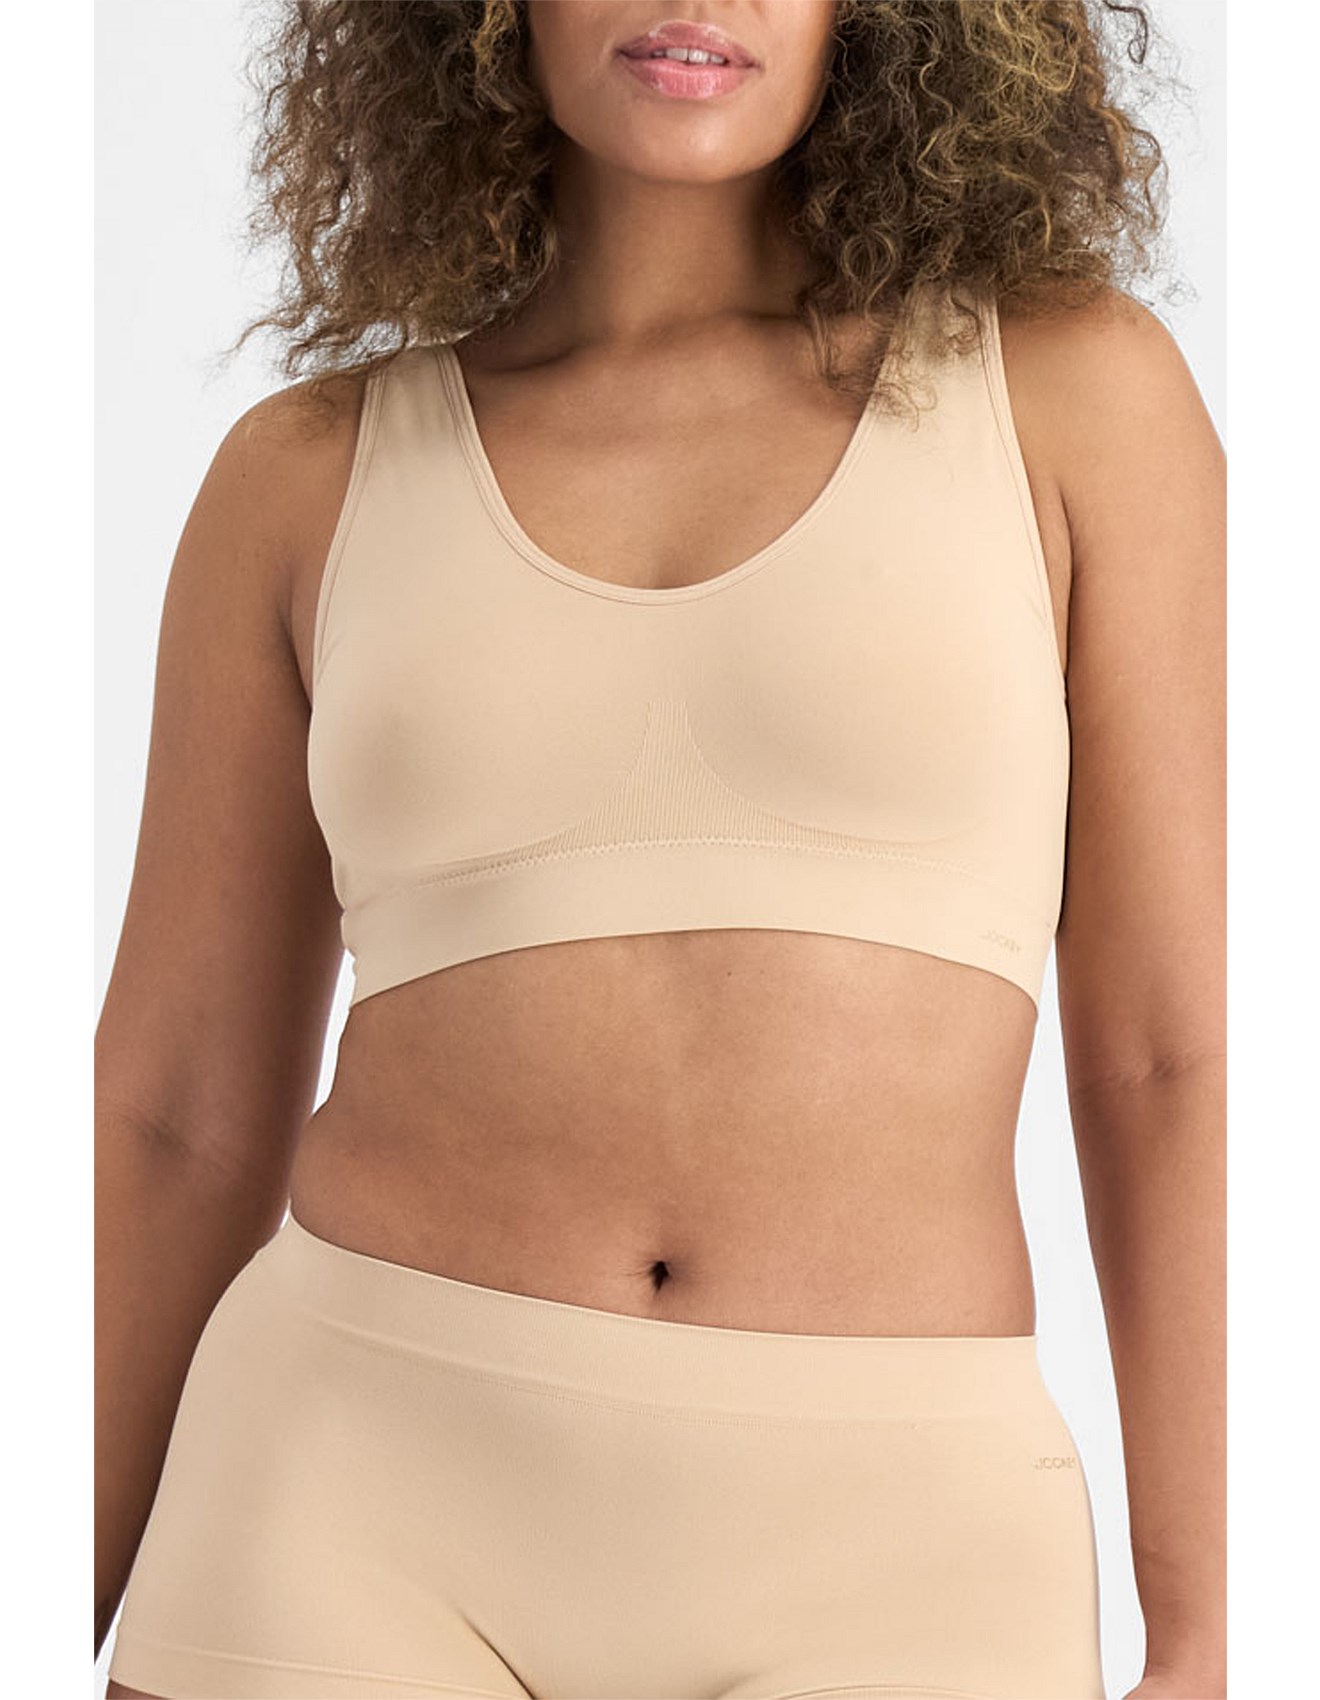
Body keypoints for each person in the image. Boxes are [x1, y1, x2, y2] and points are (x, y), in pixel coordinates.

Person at [96, 3, 1226, 1697]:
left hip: (901, 1551)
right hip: (341, 1500)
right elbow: (176, 1111)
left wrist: (1208, 1621)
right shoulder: (305, 475)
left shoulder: (1074, 396)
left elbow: (1169, 1057)